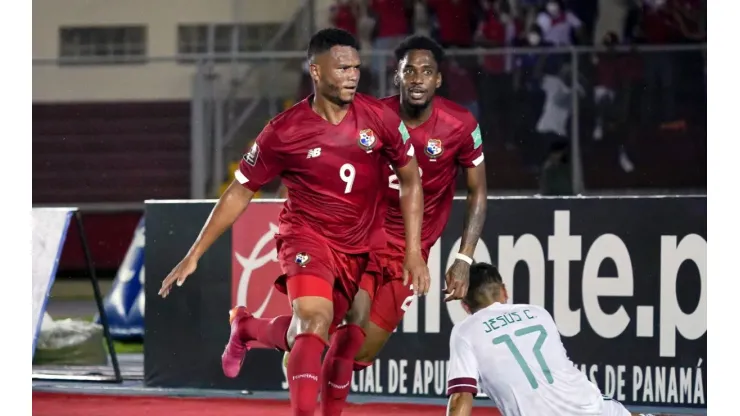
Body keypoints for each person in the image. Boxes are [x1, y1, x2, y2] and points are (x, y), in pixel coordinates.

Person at [158, 28, 429, 416]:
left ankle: (247, 329)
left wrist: (414, 251)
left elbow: (410, 179)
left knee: (351, 334)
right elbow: (239, 191)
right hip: (308, 237)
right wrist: (195, 253)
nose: (353, 74)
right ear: (316, 71)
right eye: (342, 67)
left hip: (362, 242)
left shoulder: (381, 118)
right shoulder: (283, 131)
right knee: (315, 324)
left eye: (356, 67)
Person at [284, 34, 488, 377]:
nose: (417, 79)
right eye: (409, 71)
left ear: (438, 79)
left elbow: (478, 191)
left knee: (359, 354)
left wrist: (464, 258)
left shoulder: (461, 125)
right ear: (398, 75)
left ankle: (259, 331)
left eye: (426, 71)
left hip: (411, 249)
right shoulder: (374, 115)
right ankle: (280, 346)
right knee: (321, 330)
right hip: (364, 239)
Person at [445, 263, 654, 416]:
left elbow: (461, 398)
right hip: (593, 407)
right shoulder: (538, 313)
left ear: (465, 306)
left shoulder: (465, 331)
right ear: (504, 291)